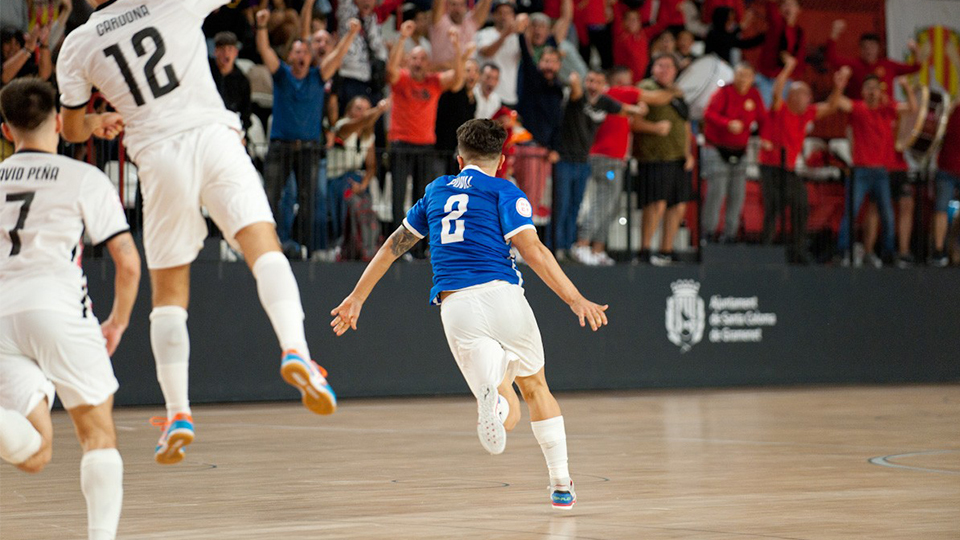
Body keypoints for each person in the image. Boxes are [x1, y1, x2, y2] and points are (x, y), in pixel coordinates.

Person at [57, 0, 338, 465]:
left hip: (158, 152)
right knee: (264, 248)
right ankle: (297, 351)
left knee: (169, 294)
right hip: (213, 136)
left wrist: (97, 121)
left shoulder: (78, 44)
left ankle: (179, 413)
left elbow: (69, 128)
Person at [330, 118, 610, 509]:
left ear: (458, 159)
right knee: (536, 387)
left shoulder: (435, 191)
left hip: (455, 305)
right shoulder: (504, 191)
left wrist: (357, 297)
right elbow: (534, 252)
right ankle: (561, 483)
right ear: (503, 159)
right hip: (502, 295)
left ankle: (494, 397)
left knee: (501, 398)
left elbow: (394, 244)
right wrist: (575, 298)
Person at [0, 78, 140, 540]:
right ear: (59, 122)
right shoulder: (83, 178)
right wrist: (118, 320)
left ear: (6, 130)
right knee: (98, 435)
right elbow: (128, 263)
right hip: (56, 307)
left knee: (36, 452)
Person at [257, 9, 360, 257]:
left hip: (308, 148)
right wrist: (261, 27)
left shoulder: (317, 76)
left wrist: (351, 34)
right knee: (270, 198)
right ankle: (268, 245)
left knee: (309, 201)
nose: (301, 55)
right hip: (280, 146)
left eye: (305, 51)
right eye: (297, 52)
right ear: (290, 56)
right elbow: (265, 51)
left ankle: (302, 247)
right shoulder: (281, 74)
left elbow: (336, 57)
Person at [571, 65, 677, 264]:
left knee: (611, 205)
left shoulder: (610, 100)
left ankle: (597, 250)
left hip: (610, 160)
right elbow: (658, 98)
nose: (633, 85)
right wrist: (675, 89)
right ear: (620, 81)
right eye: (629, 80)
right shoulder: (620, 92)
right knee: (603, 202)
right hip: (607, 160)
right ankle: (582, 245)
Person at [758, 56, 847, 263]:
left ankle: (797, 250)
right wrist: (788, 68)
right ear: (794, 96)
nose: (809, 98)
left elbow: (831, 106)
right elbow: (777, 91)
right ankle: (765, 250)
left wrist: (838, 87)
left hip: (789, 169)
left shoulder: (806, 114)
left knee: (801, 204)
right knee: (773, 209)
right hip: (770, 167)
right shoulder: (780, 109)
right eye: (805, 94)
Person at [387, 20, 467, 246]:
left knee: (422, 200)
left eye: (422, 59)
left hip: (425, 145)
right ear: (408, 61)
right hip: (401, 143)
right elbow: (390, 71)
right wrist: (402, 39)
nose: (418, 62)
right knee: (397, 196)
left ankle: (420, 247)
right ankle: (395, 245)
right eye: (414, 58)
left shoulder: (433, 82)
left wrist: (457, 47)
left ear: (428, 63)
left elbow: (458, 80)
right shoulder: (402, 78)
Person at [552, 70, 646, 261]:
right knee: (595, 202)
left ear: (604, 86)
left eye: (598, 82)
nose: (593, 86)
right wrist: (574, 78)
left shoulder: (605, 101)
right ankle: (579, 245)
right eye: (590, 81)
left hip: (586, 160)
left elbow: (626, 109)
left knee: (600, 205)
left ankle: (592, 249)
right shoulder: (578, 97)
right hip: (595, 159)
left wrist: (640, 109)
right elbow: (576, 90)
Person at [835, 75, 917, 267]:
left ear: (880, 92)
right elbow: (838, 101)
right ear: (863, 92)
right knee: (851, 212)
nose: (872, 92)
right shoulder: (858, 108)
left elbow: (912, 108)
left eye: (875, 88)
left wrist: (907, 87)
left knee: (887, 215)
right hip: (860, 171)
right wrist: (840, 85)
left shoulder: (887, 110)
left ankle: (889, 255)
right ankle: (842, 252)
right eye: (868, 88)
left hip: (881, 172)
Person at [633, 53, 694, 265]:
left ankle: (666, 249)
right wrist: (654, 128)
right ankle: (645, 249)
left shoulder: (678, 93)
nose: (665, 70)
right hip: (654, 157)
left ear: (676, 71)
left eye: (669, 66)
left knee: (677, 205)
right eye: (660, 65)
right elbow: (633, 122)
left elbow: (685, 125)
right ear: (652, 68)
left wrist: (688, 154)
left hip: (678, 157)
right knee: (655, 203)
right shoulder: (646, 88)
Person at [701, 61, 766, 243]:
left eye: (747, 75)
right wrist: (727, 123)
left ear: (753, 78)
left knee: (738, 194)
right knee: (717, 191)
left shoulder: (755, 95)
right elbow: (708, 114)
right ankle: (709, 233)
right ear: (734, 76)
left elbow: (763, 119)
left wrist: (765, 139)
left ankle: (730, 234)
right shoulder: (724, 92)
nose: (743, 79)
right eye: (740, 74)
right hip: (716, 148)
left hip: (740, 151)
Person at [514, 14, 565, 219]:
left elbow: (557, 123)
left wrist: (554, 148)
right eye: (545, 60)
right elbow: (526, 59)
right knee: (526, 198)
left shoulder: (560, 90)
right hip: (528, 147)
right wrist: (521, 34)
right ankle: (518, 246)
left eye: (553, 61)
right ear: (539, 62)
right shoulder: (532, 79)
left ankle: (524, 246)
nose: (549, 65)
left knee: (534, 199)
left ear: (559, 65)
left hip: (544, 150)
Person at [328, 97, 390, 248]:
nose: (362, 112)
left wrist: (362, 185)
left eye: (366, 109)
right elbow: (360, 122)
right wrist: (378, 110)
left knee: (362, 190)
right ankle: (341, 240)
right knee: (347, 190)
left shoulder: (369, 136)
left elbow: (371, 166)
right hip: (335, 177)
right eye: (358, 108)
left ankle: (364, 242)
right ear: (349, 111)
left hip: (355, 179)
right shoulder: (342, 125)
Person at [826, 20, 926, 99]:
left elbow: (915, 68)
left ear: (879, 48)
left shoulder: (888, 65)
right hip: (862, 116)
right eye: (865, 47)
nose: (868, 50)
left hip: (885, 116)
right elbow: (831, 59)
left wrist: (916, 50)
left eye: (872, 47)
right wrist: (833, 34)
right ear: (860, 49)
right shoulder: (854, 65)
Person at [755, 0, 805, 106]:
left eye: (791, 5)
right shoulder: (777, 25)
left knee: (781, 113)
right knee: (766, 110)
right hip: (766, 78)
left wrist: (791, 65)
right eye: (785, 4)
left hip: (785, 80)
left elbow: (799, 58)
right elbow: (771, 10)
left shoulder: (799, 32)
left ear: (798, 9)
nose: (788, 7)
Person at [436, 58, 480, 174]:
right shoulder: (452, 93)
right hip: (442, 152)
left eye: (475, 71)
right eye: (468, 70)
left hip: (459, 155)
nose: (472, 74)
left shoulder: (474, 100)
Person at [475, 0, 520, 107]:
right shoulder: (484, 33)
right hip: (485, 95)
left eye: (508, 13)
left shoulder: (518, 38)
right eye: (501, 12)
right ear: (494, 15)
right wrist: (505, 34)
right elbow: (487, 52)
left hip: (508, 95)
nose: (504, 16)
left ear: (513, 16)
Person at [931, 104, 960, 267]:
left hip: (948, 168)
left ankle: (954, 250)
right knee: (941, 209)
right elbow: (936, 134)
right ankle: (938, 250)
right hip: (946, 168)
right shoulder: (949, 109)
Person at [209, 31, 252, 133]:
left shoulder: (242, 80)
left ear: (236, 52)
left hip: (231, 128)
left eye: (230, 49)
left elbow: (246, 114)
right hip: (209, 124)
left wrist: (241, 132)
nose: (226, 54)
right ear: (215, 52)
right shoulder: (206, 73)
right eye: (222, 50)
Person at [430, 0, 492, 69]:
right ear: (447, 6)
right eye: (453, 4)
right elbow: (438, 3)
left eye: (461, 5)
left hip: (466, 76)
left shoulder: (471, 23)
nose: (457, 9)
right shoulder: (439, 22)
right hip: (442, 74)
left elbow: (486, 2)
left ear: (466, 7)